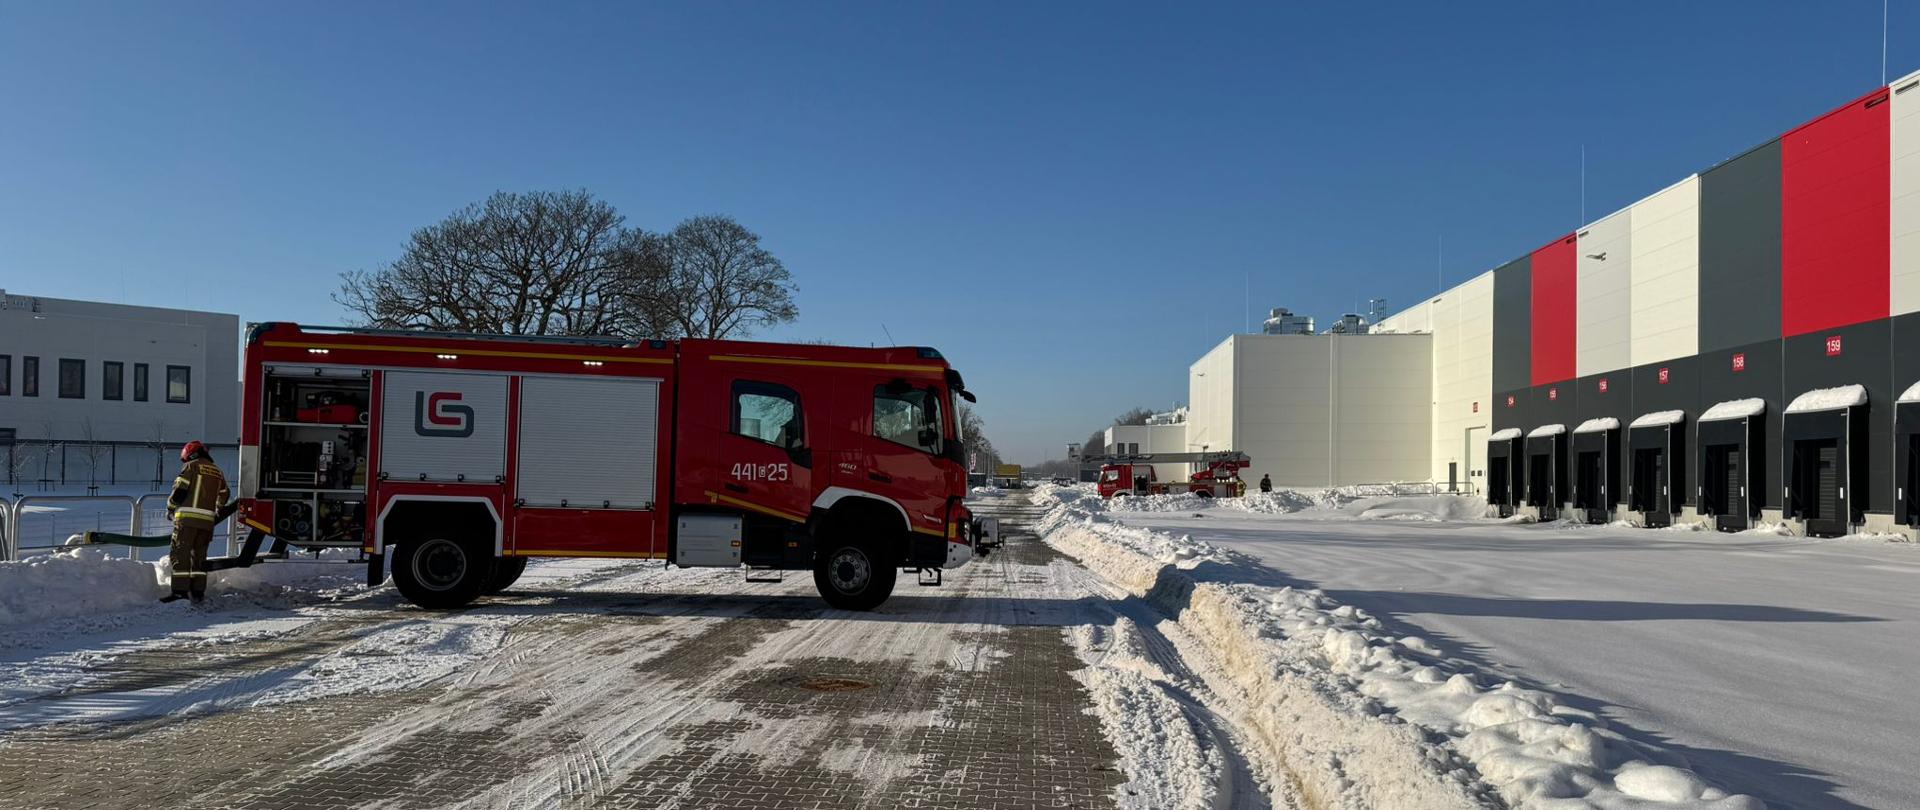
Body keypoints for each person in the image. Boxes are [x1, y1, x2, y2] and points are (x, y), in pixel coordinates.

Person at [162, 441, 229, 604]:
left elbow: (179, 490)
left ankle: (179, 593)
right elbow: (225, 493)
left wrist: (170, 508)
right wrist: (218, 508)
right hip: (207, 523)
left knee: (180, 554)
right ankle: (198, 592)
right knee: (199, 557)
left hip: (187, 520)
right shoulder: (217, 471)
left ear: (189, 454)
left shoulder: (191, 467)